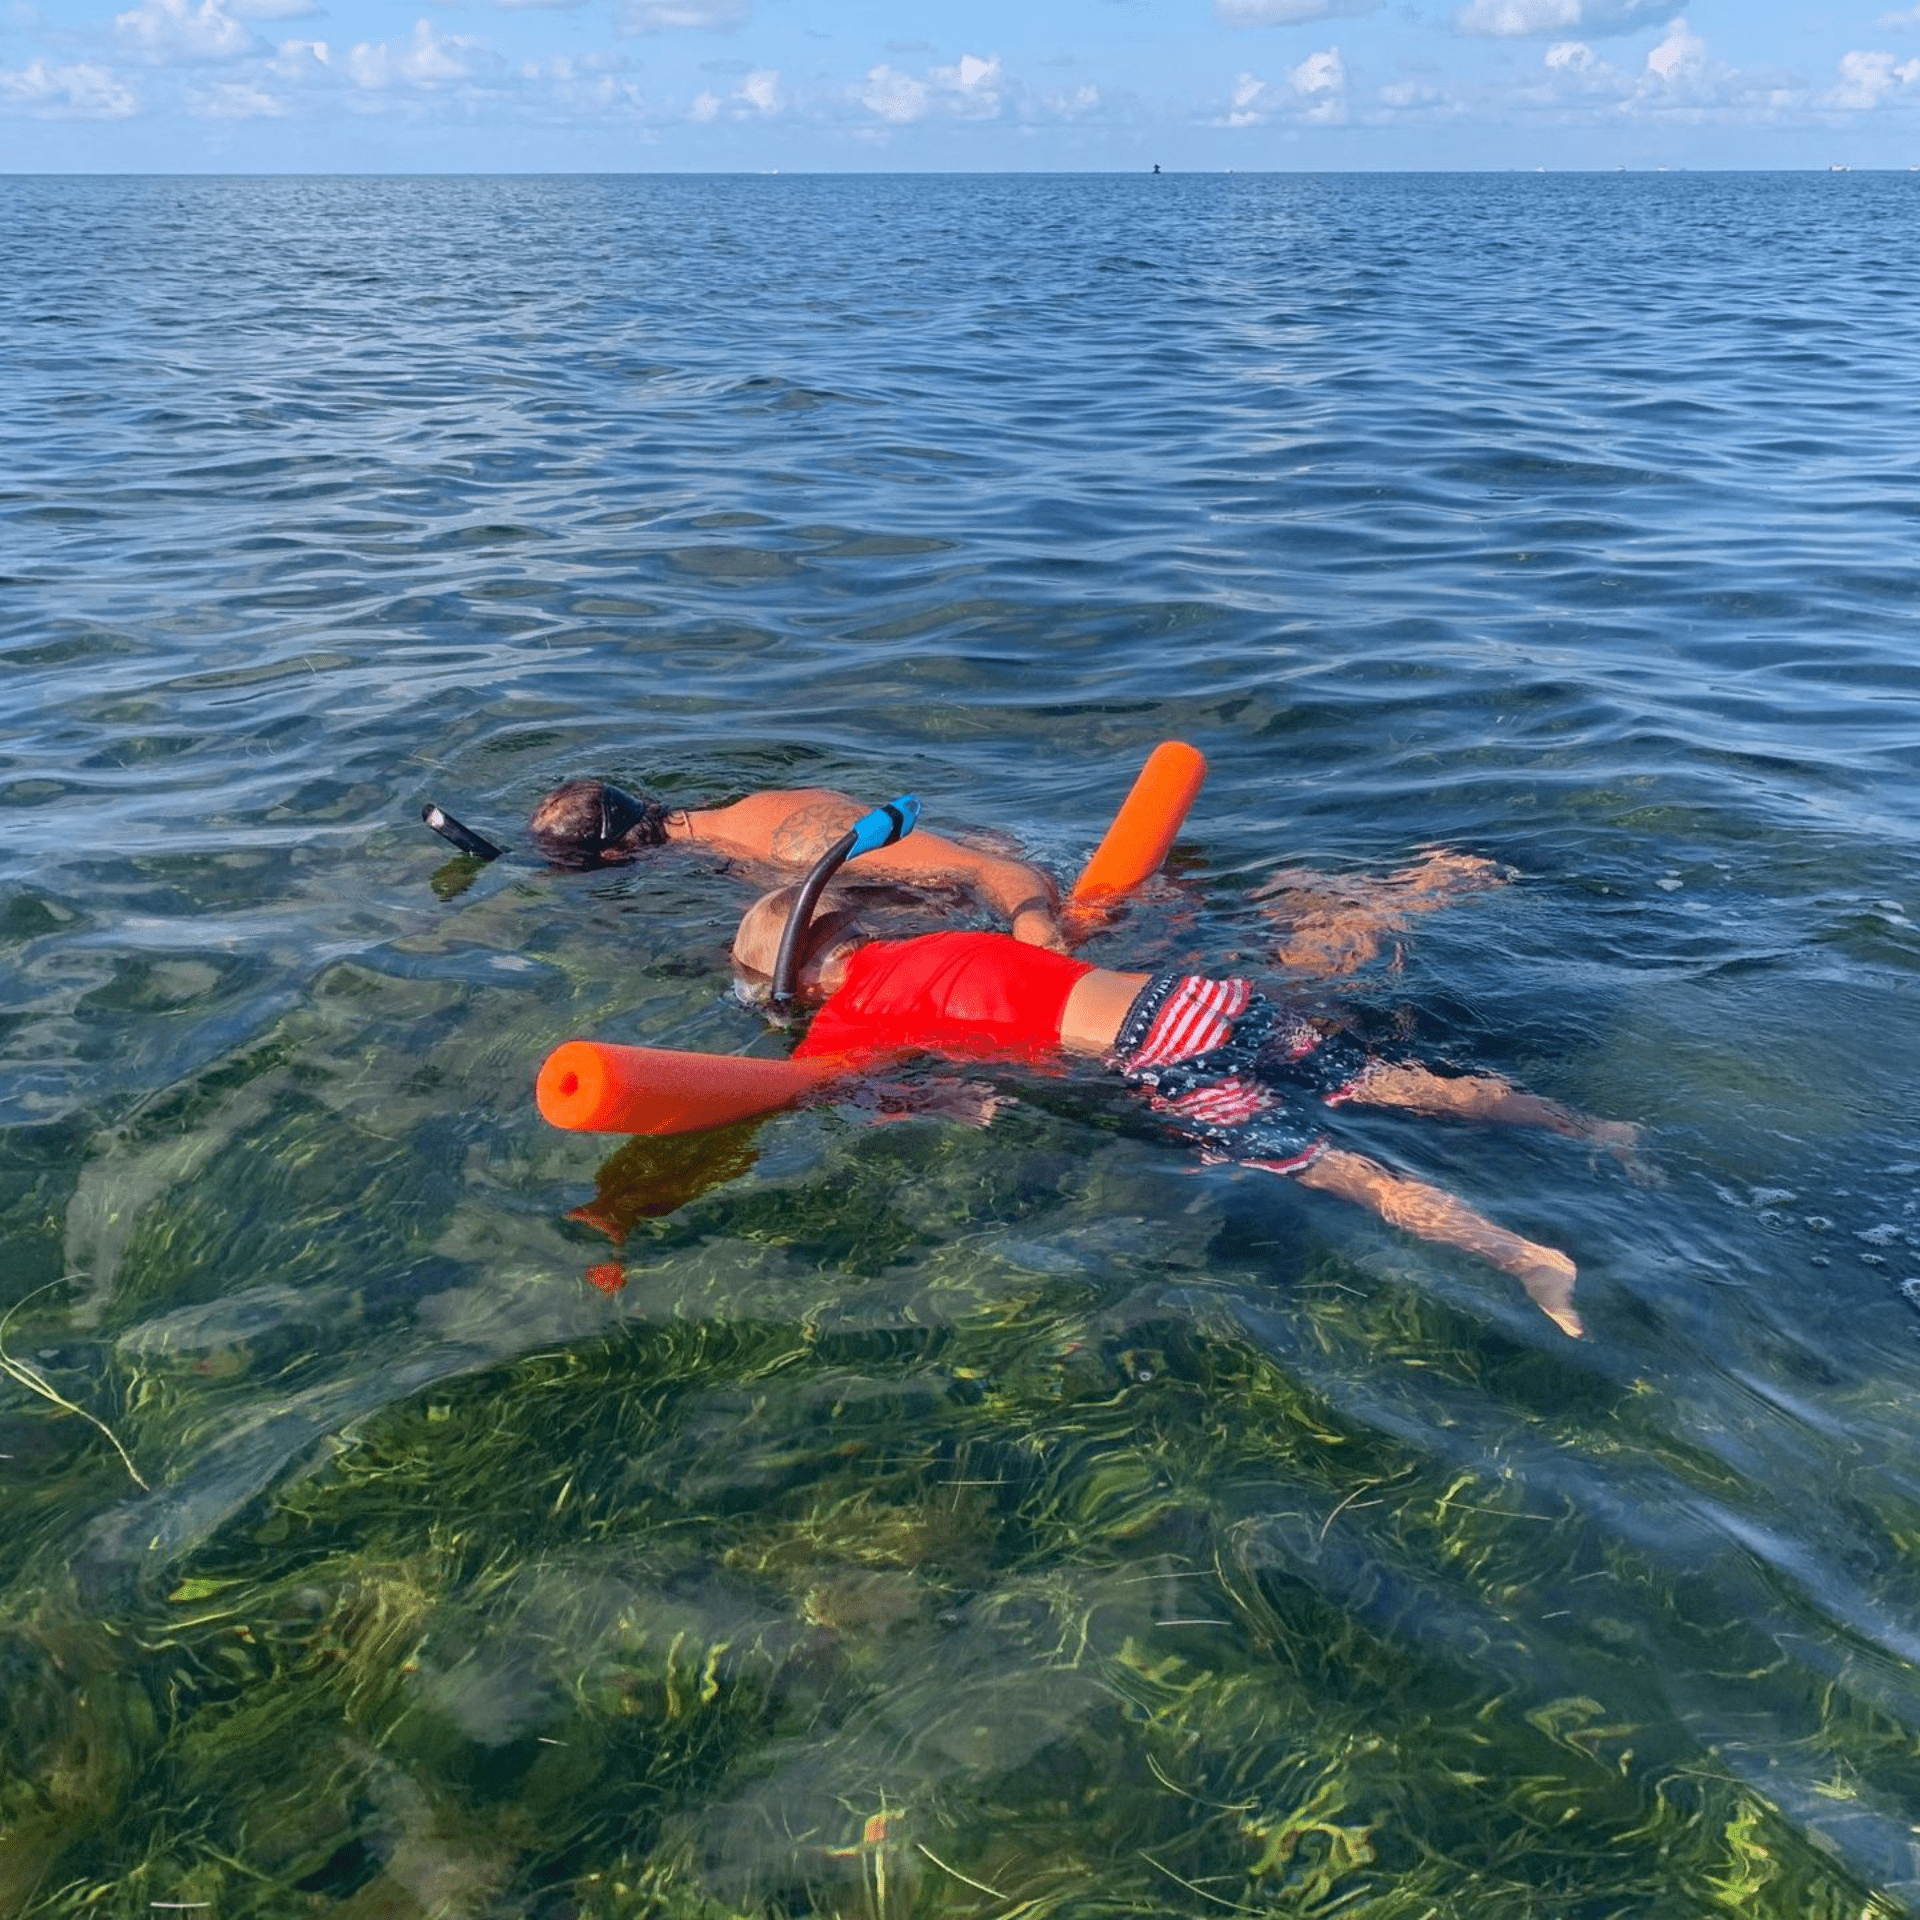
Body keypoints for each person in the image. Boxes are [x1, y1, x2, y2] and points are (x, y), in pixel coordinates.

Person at [731, 886, 1642, 1341]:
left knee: (1334, 1168)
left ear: (803, 983)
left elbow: (825, 1087)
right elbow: (1035, 938)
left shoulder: (851, 1017)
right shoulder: (939, 936)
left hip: (1159, 1053)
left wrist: (929, 1099)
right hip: (1196, 996)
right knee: (1387, 1082)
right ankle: (1588, 1127)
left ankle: (1526, 1257)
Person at [528, 777, 1069, 950]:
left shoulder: (793, 839)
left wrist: (1037, 933)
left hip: (1079, 900)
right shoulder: (727, 843)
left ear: (621, 855)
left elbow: (988, 870)